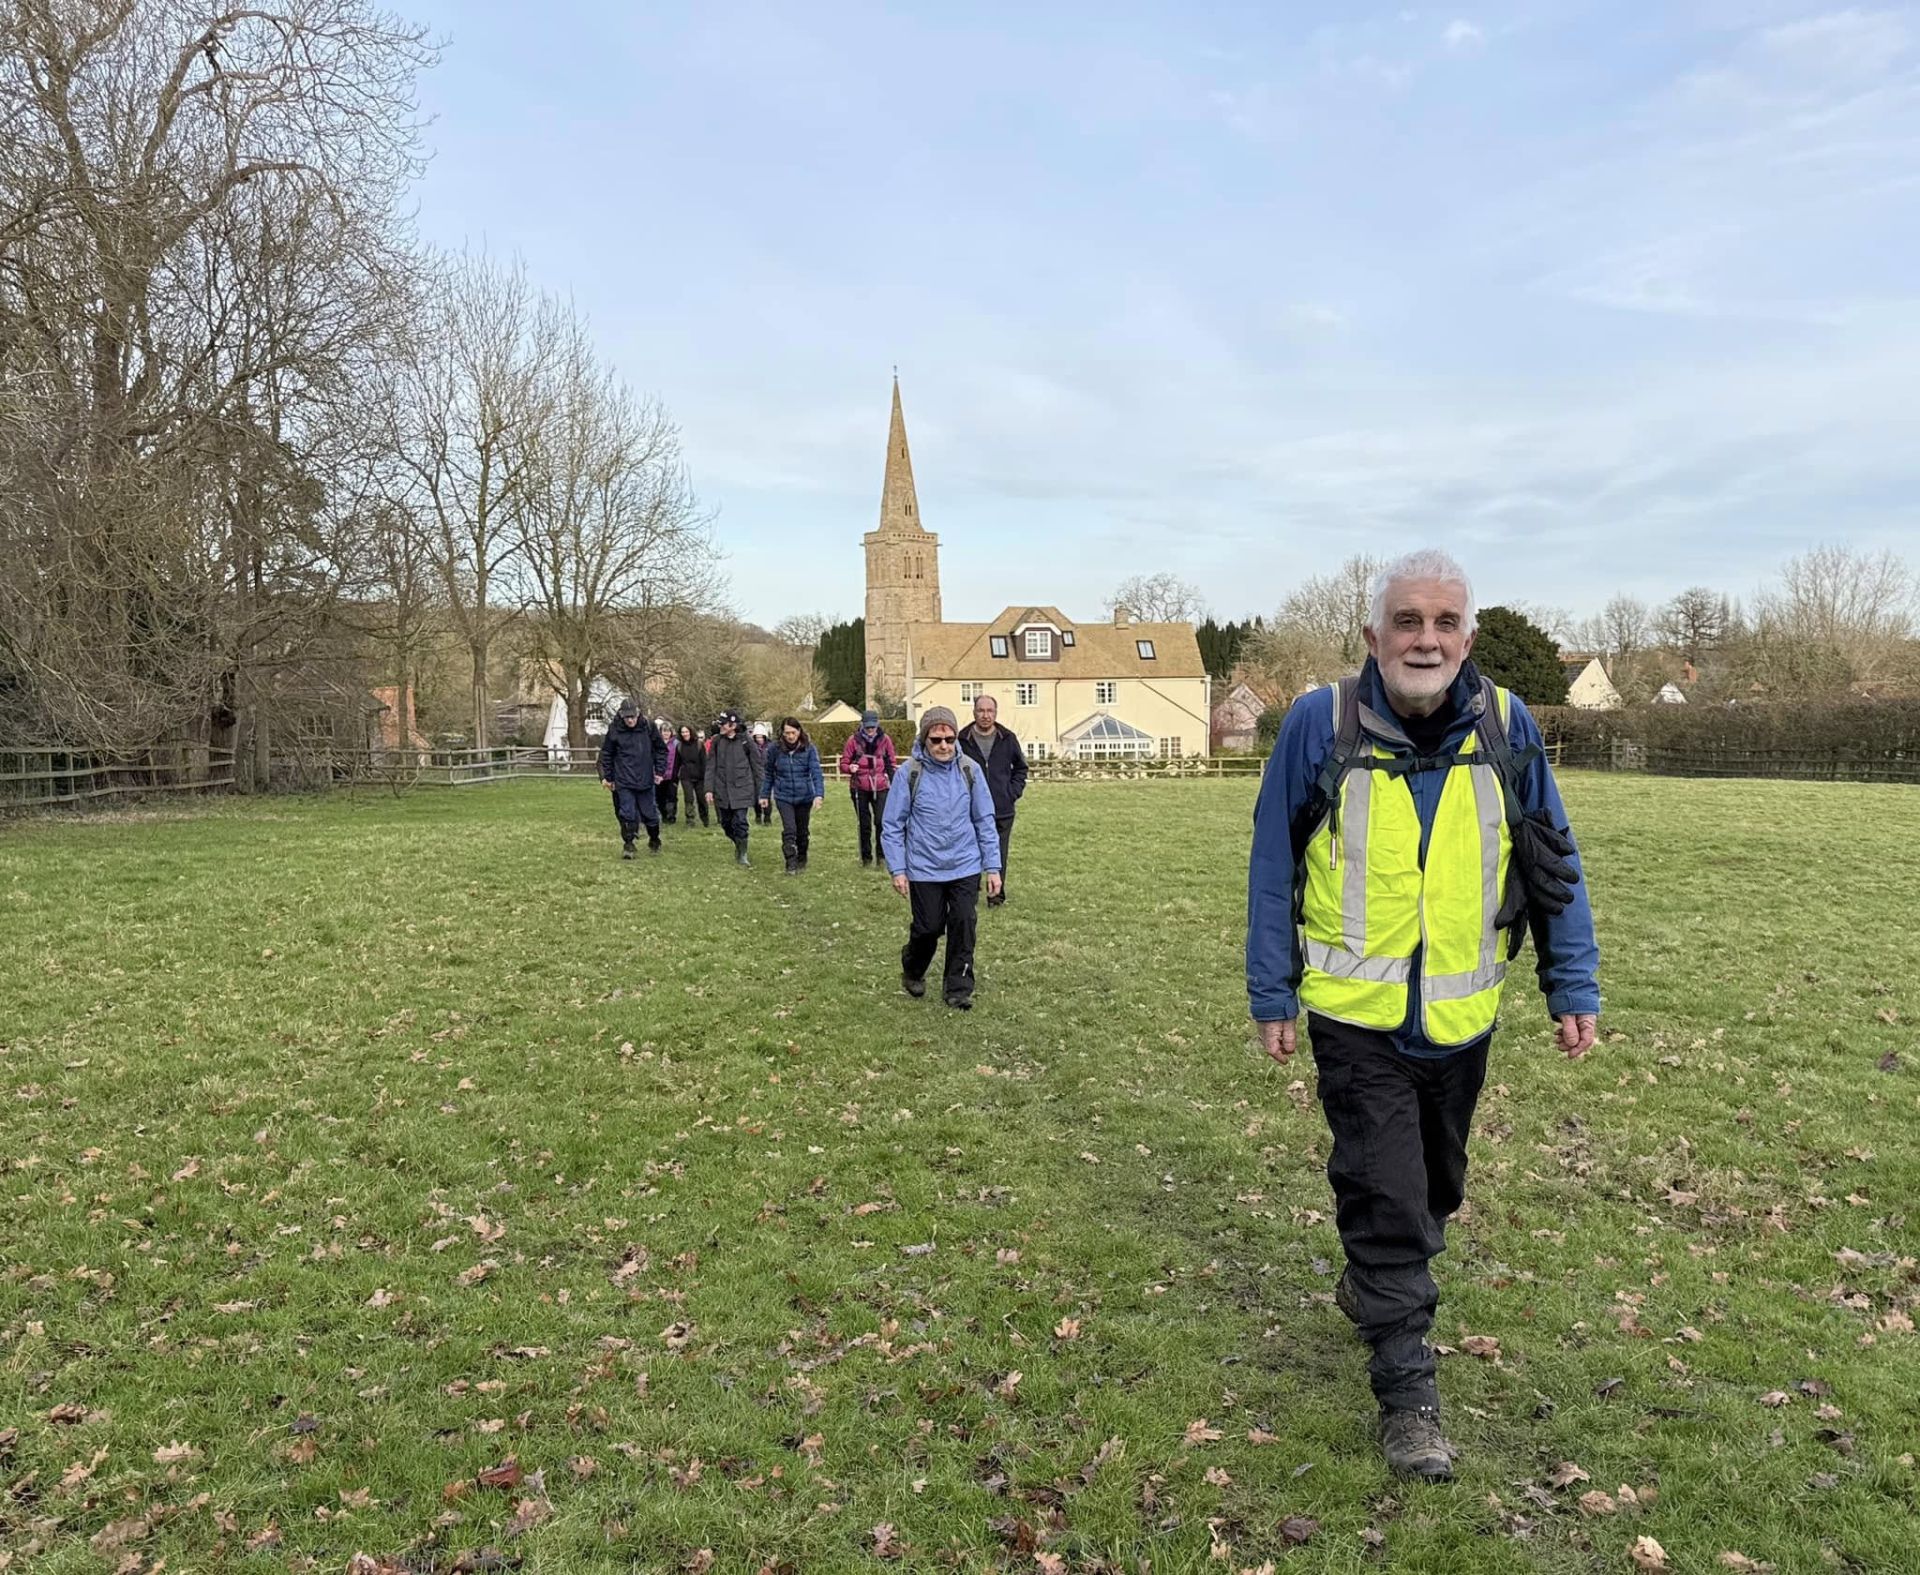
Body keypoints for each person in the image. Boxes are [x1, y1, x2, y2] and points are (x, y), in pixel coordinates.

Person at [1245, 549, 1601, 1483]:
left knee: (1434, 1189)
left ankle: (1373, 1281)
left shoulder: (1509, 729)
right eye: (1408, 621)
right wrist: (1271, 990)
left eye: (1445, 623)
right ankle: (1410, 1399)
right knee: (1393, 1199)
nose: (1426, 639)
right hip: (1353, 1023)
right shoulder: (1318, 727)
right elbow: (1272, 866)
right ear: (1374, 635)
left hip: (1464, 1021)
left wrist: (1573, 983)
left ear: (1469, 638)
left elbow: (1556, 864)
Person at [880, 706, 1002, 1009]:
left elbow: (985, 820)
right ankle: (913, 967)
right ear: (925, 740)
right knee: (928, 928)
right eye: (936, 740)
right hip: (924, 868)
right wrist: (898, 868)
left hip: (964, 864)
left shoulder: (970, 770)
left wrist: (993, 867)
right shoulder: (909, 774)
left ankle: (958, 988)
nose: (944, 745)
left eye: (949, 738)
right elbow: (893, 825)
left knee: (963, 924)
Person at [957, 694, 1028, 907]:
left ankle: (995, 896)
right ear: (974, 713)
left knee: (998, 851)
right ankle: (970, 891)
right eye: (981, 711)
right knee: (970, 852)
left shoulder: (1008, 738)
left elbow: (1021, 768)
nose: (985, 715)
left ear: (995, 713)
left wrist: (1012, 792)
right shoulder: (962, 740)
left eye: (990, 711)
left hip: (1002, 808)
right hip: (970, 810)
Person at [597, 697, 668, 858]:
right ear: (622, 716)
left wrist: (659, 772)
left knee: (649, 814)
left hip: (645, 779)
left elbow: (661, 750)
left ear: (637, 714)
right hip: (624, 780)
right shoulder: (614, 729)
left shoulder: (649, 727)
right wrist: (609, 777)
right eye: (627, 717)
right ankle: (628, 844)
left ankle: (654, 839)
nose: (630, 720)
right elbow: (607, 754)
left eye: (633, 717)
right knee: (627, 814)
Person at [765, 717, 826, 874]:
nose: (790, 736)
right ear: (782, 734)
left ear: (799, 731)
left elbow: (816, 773)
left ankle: (802, 857)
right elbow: (768, 773)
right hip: (783, 796)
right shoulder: (774, 749)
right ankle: (790, 863)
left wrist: (819, 794)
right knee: (789, 829)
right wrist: (764, 795)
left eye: (793, 732)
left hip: (804, 796)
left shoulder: (809, 749)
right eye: (787, 733)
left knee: (802, 832)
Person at [704, 710, 764, 867]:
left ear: (733, 725)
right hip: (722, 789)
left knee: (741, 822)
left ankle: (742, 853)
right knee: (726, 823)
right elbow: (711, 766)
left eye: (723, 724)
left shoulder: (746, 742)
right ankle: (738, 843)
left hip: (742, 788)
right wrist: (708, 789)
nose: (721, 726)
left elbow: (757, 767)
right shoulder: (716, 741)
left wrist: (762, 791)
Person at [840, 710, 897, 867]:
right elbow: (843, 763)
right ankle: (866, 858)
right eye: (868, 727)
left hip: (881, 786)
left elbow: (891, 763)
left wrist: (894, 784)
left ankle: (882, 856)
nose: (870, 730)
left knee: (881, 822)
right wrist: (849, 767)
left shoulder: (885, 740)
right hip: (859, 786)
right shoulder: (853, 741)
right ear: (862, 725)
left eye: (873, 727)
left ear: (877, 725)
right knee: (864, 824)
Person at [674, 723, 708, 826]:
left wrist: (705, 776)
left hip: (700, 776)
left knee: (701, 798)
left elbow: (704, 761)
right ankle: (690, 820)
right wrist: (675, 778)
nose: (684, 734)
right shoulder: (679, 746)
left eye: (686, 731)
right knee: (688, 798)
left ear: (690, 732)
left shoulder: (699, 744)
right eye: (682, 732)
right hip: (686, 776)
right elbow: (677, 763)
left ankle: (705, 818)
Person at [653, 719, 679, 825]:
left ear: (671, 732)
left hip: (672, 775)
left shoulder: (676, 744)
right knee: (660, 797)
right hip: (659, 774)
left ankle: (671, 816)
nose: (666, 733)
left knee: (672, 796)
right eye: (664, 731)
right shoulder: (656, 744)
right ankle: (663, 815)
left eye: (668, 731)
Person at [749, 723, 774, 825]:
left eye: (761, 737)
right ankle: (758, 815)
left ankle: (767, 817)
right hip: (754, 775)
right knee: (756, 798)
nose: (759, 739)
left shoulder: (770, 747)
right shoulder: (751, 747)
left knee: (766, 797)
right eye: (757, 737)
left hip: (766, 775)